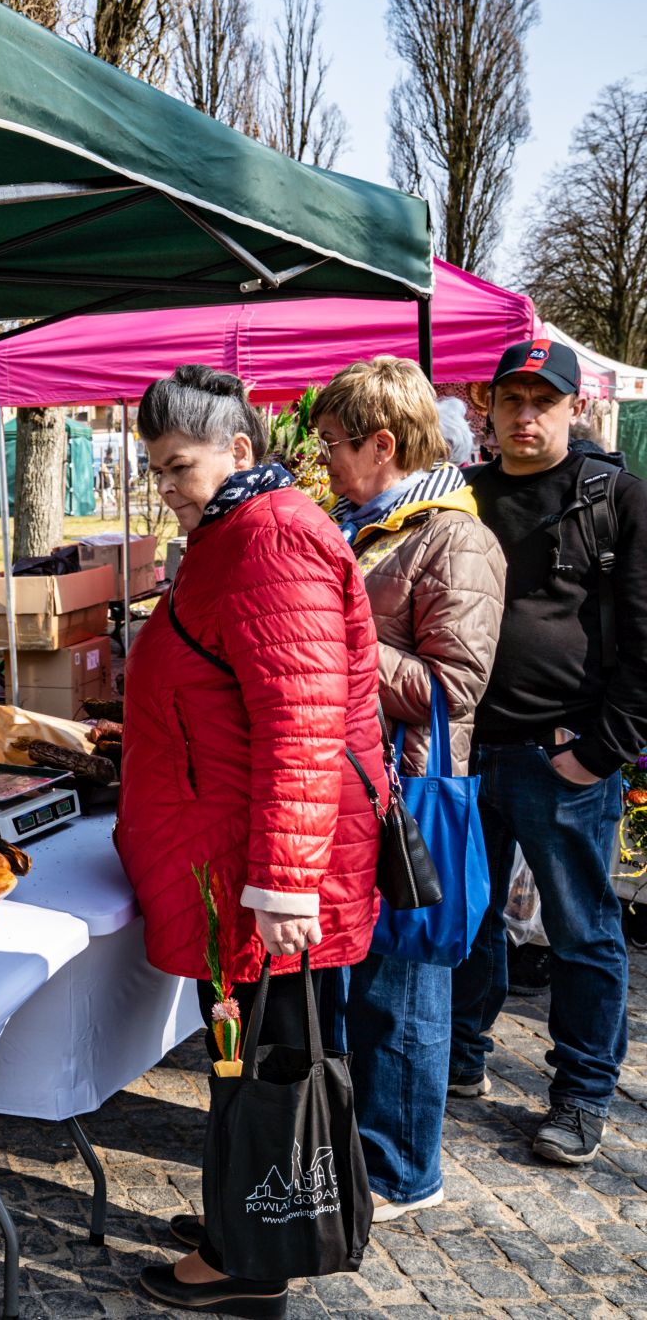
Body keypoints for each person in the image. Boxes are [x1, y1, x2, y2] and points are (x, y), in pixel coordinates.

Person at [117, 365, 384, 1318]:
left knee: (266, 1059)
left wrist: (282, 882)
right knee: (245, 1054)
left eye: (177, 466)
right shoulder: (238, 529)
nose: (166, 487)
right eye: (155, 469)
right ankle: (241, 1216)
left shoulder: (271, 537)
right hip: (230, 845)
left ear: (238, 449)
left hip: (258, 863)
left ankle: (250, 1259)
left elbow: (302, 723)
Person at [314, 357, 504, 1221]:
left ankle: (402, 1170)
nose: (324, 459)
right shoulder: (364, 524)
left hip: (414, 792)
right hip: (358, 785)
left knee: (406, 985)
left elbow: (452, 685)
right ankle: (361, 1142)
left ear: (383, 444)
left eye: (333, 443)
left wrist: (339, 639)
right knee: (365, 978)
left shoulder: (456, 539)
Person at [450, 337, 647, 1165]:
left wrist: (603, 750)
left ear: (576, 407)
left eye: (544, 401)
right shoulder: (462, 495)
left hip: (564, 757)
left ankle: (582, 1092)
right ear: (488, 408)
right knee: (467, 915)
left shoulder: (616, 497)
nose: (526, 416)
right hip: (467, 751)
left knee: (582, 931)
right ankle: (461, 1054)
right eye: (512, 400)